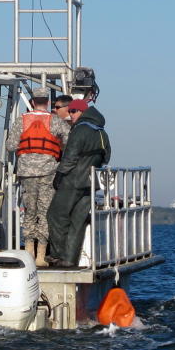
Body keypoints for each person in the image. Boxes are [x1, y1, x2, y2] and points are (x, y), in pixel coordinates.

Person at [5, 88, 70, 267]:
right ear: (48, 102)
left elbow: (10, 146)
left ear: (33, 102)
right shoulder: (55, 121)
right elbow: (68, 141)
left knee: (29, 212)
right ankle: (41, 256)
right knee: (44, 213)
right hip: (49, 171)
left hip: (26, 172)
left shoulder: (22, 120)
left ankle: (28, 252)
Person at [47, 99, 111, 268]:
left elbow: (70, 157)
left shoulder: (80, 130)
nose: (71, 114)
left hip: (73, 181)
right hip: (90, 183)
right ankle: (69, 260)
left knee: (55, 216)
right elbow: (106, 157)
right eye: (70, 111)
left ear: (83, 112)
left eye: (74, 111)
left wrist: (59, 175)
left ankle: (57, 256)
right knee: (78, 222)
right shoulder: (102, 133)